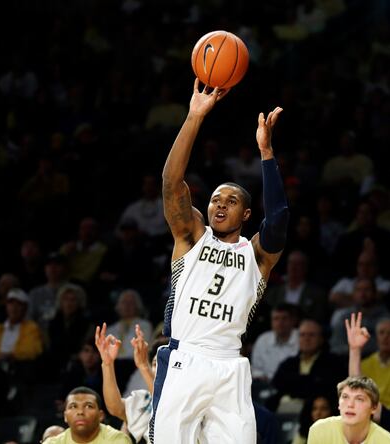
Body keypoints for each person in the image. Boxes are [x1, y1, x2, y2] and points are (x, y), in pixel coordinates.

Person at [151, 80, 289, 443]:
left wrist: (266, 153)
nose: (220, 204)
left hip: (231, 365)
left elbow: (278, 220)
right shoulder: (192, 236)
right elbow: (170, 182)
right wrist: (194, 117)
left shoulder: (256, 256)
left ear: (245, 214)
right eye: (215, 199)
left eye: (230, 201)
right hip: (186, 358)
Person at [95, 323, 155, 443]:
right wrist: (107, 364)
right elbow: (115, 407)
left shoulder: (185, 394)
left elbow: (165, 402)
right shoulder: (144, 398)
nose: (157, 367)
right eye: (154, 364)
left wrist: (144, 366)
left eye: (163, 364)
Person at [307, 376, 390, 444]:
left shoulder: (388, 442)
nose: (350, 405)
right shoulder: (319, 431)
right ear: (339, 404)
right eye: (345, 397)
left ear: (374, 408)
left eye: (359, 399)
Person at [346, 314, 390, 410]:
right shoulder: (363, 364)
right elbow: (355, 391)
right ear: (376, 337)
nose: (385, 337)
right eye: (381, 333)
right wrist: (354, 349)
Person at [43, 387, 131, 444]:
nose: (80, 412)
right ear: (65, 416)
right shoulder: (53, 442)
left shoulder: (117, 440)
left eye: (89, 406)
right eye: (73, 406)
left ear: (100, 415)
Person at [250, 303, 299, 382]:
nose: (280, 322)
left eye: (284, 318)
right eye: (276, 319)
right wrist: (261, 376)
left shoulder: (302, 338)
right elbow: (256, 368)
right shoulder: (263, 340)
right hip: (266, 385)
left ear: (293, 321)